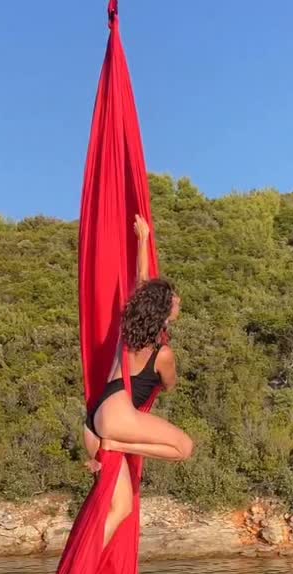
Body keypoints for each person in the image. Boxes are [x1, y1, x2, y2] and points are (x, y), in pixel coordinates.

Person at [83, 215, 194, 546]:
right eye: (174, 300)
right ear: (162, 309)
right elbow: (170, 385)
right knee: (184, 448)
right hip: (116, 424)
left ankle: (86, 571)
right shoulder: (163, 354)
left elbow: (142, 282)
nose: (179, 302)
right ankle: (117, 445)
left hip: (95, 418)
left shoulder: (126, 331)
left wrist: (143, 239)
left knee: (121, 509)